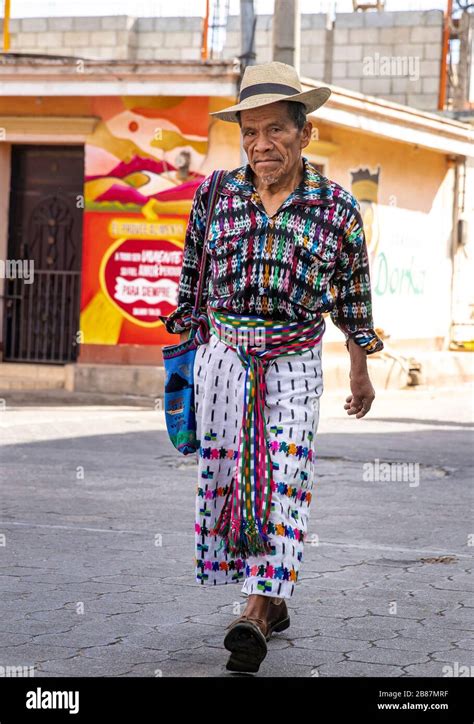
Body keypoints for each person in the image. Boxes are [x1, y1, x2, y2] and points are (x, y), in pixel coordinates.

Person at [161, 61, 384, 673]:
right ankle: (274, 595)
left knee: (281, 478)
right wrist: (181, 364)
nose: (261, 145)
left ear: (304, 133)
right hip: (223, 362)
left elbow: (355, 300)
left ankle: (254, 612)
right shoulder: (214, 194)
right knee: (231, 482)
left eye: (275, 131)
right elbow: (191, 284)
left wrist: (360, 371)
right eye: (249, 132)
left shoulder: (336, 208)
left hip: (291, 363)